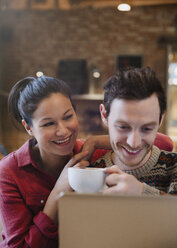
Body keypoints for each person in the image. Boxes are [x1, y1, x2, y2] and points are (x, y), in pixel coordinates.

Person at [0, 76, 110, 248]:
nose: (62, 131)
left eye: (67, 117)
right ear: (28, 128)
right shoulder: (10, 171)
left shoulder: (89, 152)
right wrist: (59, 190)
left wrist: (96, 141)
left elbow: (160, 142)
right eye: (48, 123)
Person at [91, 66, 177, 196]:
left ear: (161, 119)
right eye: (123, 127)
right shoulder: (90, 174)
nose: (134, 143)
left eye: (147, 129)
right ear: (104, 116)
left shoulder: (174, 167)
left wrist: (142, 193)